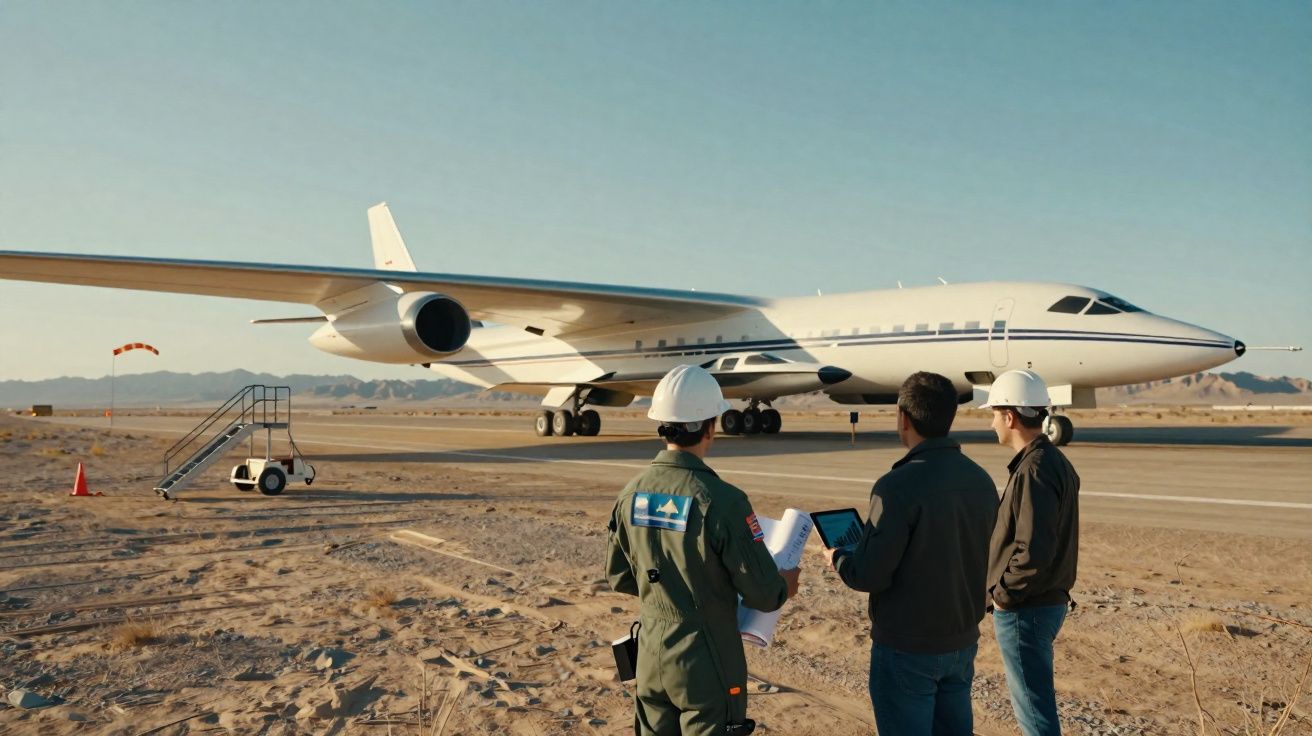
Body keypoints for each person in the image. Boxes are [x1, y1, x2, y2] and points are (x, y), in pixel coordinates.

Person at [605, 364, 801, 736]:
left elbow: (618, 575)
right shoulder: (722, 500)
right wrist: (784, 585)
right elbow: (763, 593)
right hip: (706, 653)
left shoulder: (631, 493)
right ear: (711, 425)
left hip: (650, 649)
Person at [821, 371, 998, 735]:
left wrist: (839, 557)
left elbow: (869, 575)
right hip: (962, 641)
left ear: (903, 417)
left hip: (908, 647)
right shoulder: (980, 480)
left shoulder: (897, 486)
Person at [982, 369, 1081, 736]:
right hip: (1044, 602)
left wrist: (1004, 597)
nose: (992, 423)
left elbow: (1033, 549)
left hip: (1027, 608)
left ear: (1010, 417)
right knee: (1034, 703)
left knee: (1034, 712)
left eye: (994, 414)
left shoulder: (1035, 469)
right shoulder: (1050, 461)